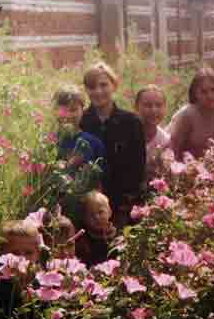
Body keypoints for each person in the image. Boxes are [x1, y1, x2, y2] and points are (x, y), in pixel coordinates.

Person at [79, 62, 146, 228]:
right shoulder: (81, 121)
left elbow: (137, 169)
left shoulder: (131, 122)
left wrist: (125, 207)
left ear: (114, 85)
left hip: (123, 205)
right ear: (86, 90)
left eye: (103, 85)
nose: (98, 91)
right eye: (92, 87)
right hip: (89, 205)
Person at [168, 66, 214, 161]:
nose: (210, 96)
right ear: (195, 94)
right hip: (185, 165)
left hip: (210, 166)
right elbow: (174, 150)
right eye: (203, 92)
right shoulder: (187, 114)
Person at [53, 86, 106, 171]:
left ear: (83, 110)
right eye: (63, 110)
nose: (68, 115)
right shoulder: (49, 141)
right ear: (55, 111)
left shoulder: (94, 143)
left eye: (73, 110)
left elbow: (103, 176)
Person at [134, 85, 170, 182]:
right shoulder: (125, 133)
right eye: (148, 105)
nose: (154, 110)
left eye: (158, 105)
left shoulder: (165, 141)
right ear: (136, 107)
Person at [75, 190, 117, 267]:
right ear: (84, 218)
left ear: (110, 212)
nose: (96, 217)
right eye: (91, 214)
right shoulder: (83, 240)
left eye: (100, 212)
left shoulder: (117, 236)